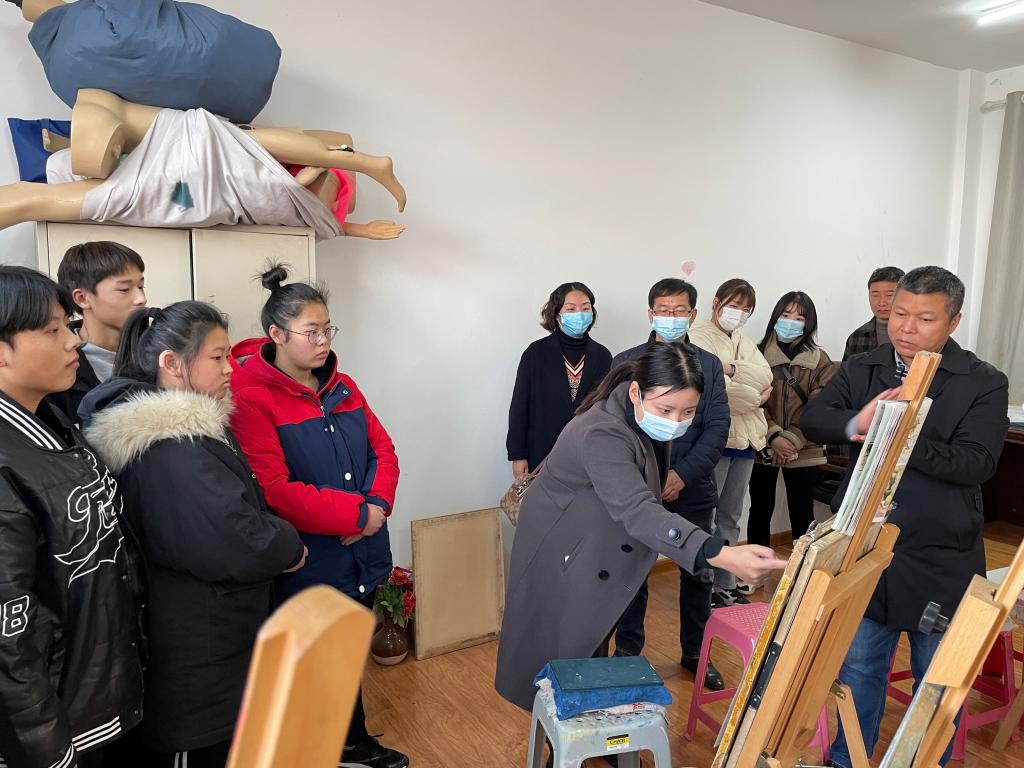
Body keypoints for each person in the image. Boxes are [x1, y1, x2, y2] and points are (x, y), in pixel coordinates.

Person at [495, 343, 788, 712]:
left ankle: (587, 720)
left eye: (688, 411)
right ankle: (564, 730)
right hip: (564, 550)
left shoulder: (638, 416)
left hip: (592, 540)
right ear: (636, 392)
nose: (676, 420)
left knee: (587, 650)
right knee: (564, 658)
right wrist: (720, 554)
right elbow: (638, 508)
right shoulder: (602, 431)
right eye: (666, 410)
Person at [78, 301, 306, 767]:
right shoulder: (171, 450)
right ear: (172, 364)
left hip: (211, 635)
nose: (230, 369)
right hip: (196, 647)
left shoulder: (189, 432)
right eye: (217, 357)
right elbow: (234, 537)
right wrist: (288, 543)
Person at [801, 266, 1009, 768]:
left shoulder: (982, 381)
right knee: (858, 668)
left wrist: (900, 434)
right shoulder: (863, 367)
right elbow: (814, 419)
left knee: (936, 679)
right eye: (899, 314)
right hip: (864, 545)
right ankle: (848, 759)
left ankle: (925, 762)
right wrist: (856, 422)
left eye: (924, 318)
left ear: (953, 322)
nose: (906, 328)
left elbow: (976, 463)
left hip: (940, 550)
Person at [229, 264, 408, 768]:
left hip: (362, 551)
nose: (323, 341)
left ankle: (350, 743)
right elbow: (275, 490)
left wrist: (375, 508)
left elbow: (383, 450)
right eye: (312, 332)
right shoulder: (251, 398)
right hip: (312, 560)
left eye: (328, 329)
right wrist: (355, 515)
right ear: (276, 334)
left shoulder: (343, 386)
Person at [0, 266, 143, 768]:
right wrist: (48, 750)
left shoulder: (53, 422)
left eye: (68, 325)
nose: (73, 342)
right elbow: (9, 638)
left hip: (95, 695)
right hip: (58, 725)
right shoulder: (8, 461)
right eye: (51, 330)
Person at [610, 278, 731, 690]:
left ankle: (696, 653)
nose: (671, 317)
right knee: (632, 572)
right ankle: (628, 653)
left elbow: (717, 427)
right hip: (639, 489)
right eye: (664, 310)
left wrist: (682, 475)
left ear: (693, 315)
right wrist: (650, 478)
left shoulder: (709, 366)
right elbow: (617, 428)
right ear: (650, 314)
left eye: (680, 311)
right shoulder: (627, 362)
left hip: (692, 487)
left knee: (698, 571)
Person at [688, 278, 772, 607]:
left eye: (745, 309)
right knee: (707, 516)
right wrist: (755, 397)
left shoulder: (742, 341)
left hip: (746, 442)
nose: (739, 313)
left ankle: (726, 584)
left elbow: (766, 377)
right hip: (716, 441)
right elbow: (716, 390)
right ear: (716, 302)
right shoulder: (697, 337)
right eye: (734, 306)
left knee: (731, 516)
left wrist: (731, 368)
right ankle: (705, 585)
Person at [747, 291, 835, 556]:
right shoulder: (755, 354)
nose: (791, 321)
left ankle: (801, 571)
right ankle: (756, 569)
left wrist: (793, 439)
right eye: (786, 315)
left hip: (805, 448)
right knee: (760, 508)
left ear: (809, 323)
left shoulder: (819, 359)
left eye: (799, 318)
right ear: (775, 317)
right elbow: (751, 402)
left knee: (802, 511)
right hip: (763, 445)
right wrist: (774, 436)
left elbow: (821, 405)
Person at [507, 282, 612, 477]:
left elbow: (607, 409)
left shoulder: (602, 355)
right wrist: (517, 454)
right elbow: (520, 405)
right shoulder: (535, 353)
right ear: (556, 314)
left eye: (586, 308)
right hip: (541, 450)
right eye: (571, 309)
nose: (580, 314)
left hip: (587, 452)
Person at [44, 241, 146, 422]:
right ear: (82, 298)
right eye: (124, 289)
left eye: (140, 287)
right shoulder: (57, 363)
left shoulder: (157, 350)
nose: (141, 299)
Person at [842, 266, 905, 361]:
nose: (882, 303)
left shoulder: (915, 333)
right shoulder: (856, 337)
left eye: (889, 295)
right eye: (875, 295)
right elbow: (846, 370)